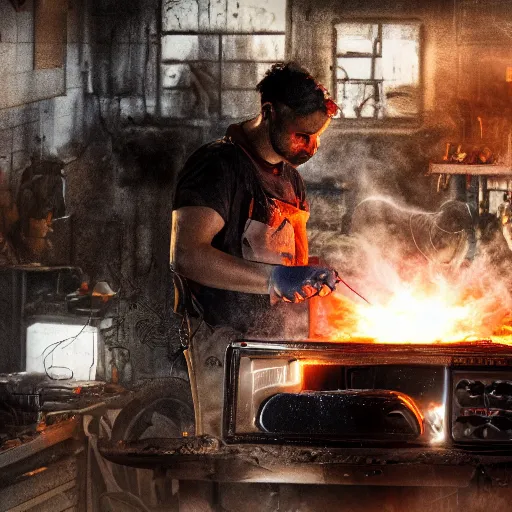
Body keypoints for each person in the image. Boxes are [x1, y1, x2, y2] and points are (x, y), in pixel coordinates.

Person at [170, 62, 340, 435]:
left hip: (279, 344)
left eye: (316, 138)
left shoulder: (292, 180)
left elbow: (285, 257)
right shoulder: (218, 166)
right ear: (269, 113)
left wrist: (309, 274)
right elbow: (186, 255)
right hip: (226, 343)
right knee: (231, 459)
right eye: (301, 135)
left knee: (278, 455)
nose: (310, 147)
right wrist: (275, 279)